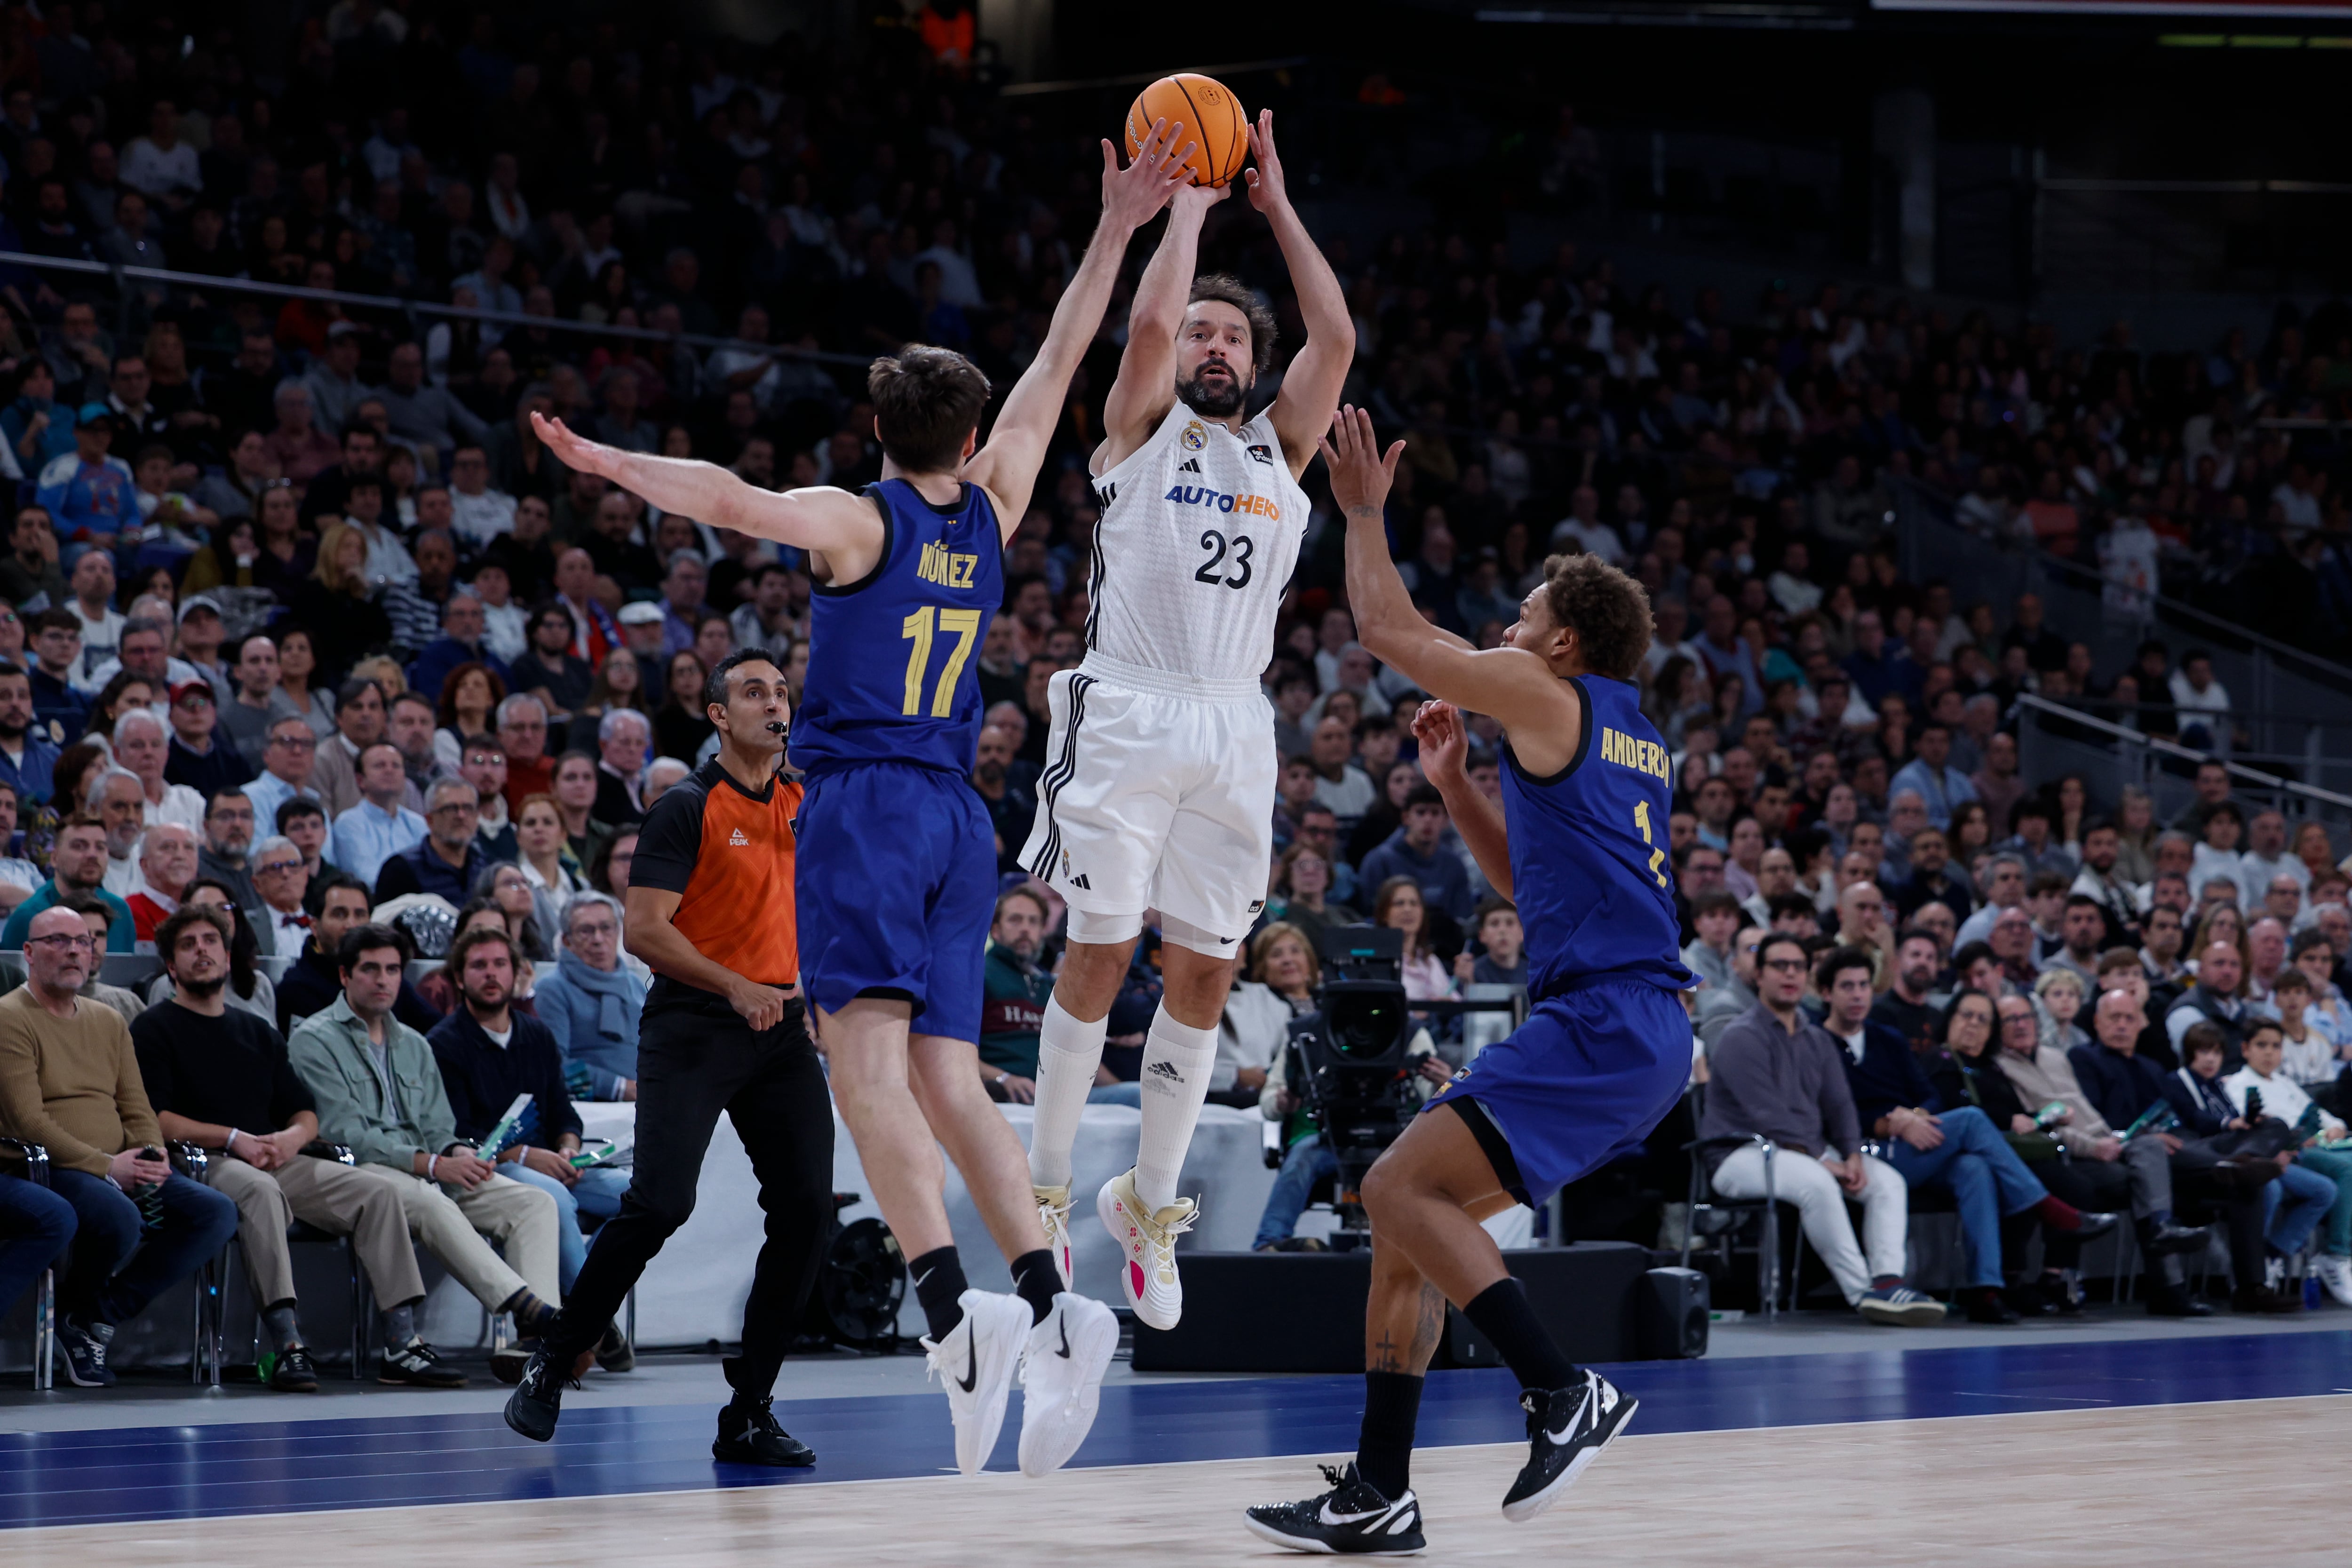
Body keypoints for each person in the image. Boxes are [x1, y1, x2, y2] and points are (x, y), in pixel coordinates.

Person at [512, 123, 1199, 1479]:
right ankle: (1059, 1308)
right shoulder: (994, 507)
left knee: (869, 1067)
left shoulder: (859, 519)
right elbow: (1064, 357)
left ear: (880, 430)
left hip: (871, 805)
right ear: (966, 425)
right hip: (962, 810)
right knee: (949, 1074)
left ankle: (956, 1314)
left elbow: (723, 494)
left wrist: (608, 466)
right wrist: (1116, 228)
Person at [1245, 408, 1694, 1553]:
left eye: (1527, 616)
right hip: (1629, 1021)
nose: (1509, 624)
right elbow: (1536, 892)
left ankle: (1559, 1391)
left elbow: (1389, 627)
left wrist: (1356, 511)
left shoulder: (1546, 696)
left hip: (1604, 1020)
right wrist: (1453, 789)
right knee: (1409, 1230)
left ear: (1561, 648)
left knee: (1393, 1188)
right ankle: (1381, 1491)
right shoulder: (1624, 731)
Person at [1018, 122, 1353, 1341]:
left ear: (1255, 365)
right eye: (1205, 331)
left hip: (1234, 724)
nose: (1213, 345)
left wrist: (1278, 202)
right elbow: (1147, 330)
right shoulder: (1141, 426)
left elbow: (1340, 339)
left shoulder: (1280, 448)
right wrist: (1193, 214)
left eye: (1234, 337)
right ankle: (1044, 1186)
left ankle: (1147, 1206)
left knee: (1207, 970)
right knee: (1102, 949)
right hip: (1129, 699)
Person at [502, 652, 829, 1462]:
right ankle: (556, 1352)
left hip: (781, 1025)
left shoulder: (805, 797)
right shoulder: (687, 804)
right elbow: (646, 928)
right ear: (718, 713)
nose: (774, 702)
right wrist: (734, 984)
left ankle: (749, 1406)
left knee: (809, 1214)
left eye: (782, 690)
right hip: (693, 1021)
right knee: (659, 1203)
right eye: (755, 690)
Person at [132, 903, 458, 1390]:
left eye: (212, 942)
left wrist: (291, 1139)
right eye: (188, 944)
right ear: (172, 966)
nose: (203, 951)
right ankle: (287, 1344)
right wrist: (233, 1138)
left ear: (228, 956)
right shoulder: (154, 1027)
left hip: (275, 1155)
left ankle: (402, 1343)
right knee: (259, 1192)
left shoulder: (258, 1031)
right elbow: (155, 1118)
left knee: (377, 1192)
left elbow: (306, 1113)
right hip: (205, 1161)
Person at [287, 922, 561, 1385]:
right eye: (370, 969)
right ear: (344, 976)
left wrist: (457, 1152)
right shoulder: (314, 1039)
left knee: (534, 1201)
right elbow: (346, 1134)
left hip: (428, 1168)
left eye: (393, 970)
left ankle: (533, 1343)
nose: (383, 980)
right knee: (430, 1198)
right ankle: (534, 1312)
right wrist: (433, 1163)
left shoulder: (414, 1042)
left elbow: (439, 1126)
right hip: (361, 1172)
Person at [0, 904, 239, 1386]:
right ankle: (79, 1317)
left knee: (215, 1213)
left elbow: (136, 1106)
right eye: (58, 941)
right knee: (119, 1216)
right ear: (28, 952)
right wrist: (109, 1167)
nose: (73, 951)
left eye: (83, 942)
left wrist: (151, 1155)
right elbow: (29, 1121)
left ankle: (94, 1317)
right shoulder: (9, 1019)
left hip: (120, 1167)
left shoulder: (109, 1020)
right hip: (52, 1167)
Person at [1820, 943, 2113, 1324]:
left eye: (1863, 985)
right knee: (1973, 1120)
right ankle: (2050, 1209)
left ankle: (1986, 1291)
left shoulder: (1887, 1038)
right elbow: (1826, 1110)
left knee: (1974, 1167)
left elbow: (1924, 1090)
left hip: (1914, 1141)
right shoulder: (1817, 1043)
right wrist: (1889, 1121)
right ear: (1827, 993)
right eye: (1847, 986)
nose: (1858, 994)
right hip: (1863, 1149)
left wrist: (1917, 1116)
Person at [429, 923, 630, 1334]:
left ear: (517, 972)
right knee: (553, 1197)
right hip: (491, 1168)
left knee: (640, 1198)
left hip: (551, 1160)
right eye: (480, 965)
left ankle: (586, 1301)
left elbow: (562, 1110)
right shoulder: (444, 1043)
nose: (491, 974)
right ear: (459, 977)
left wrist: (569, 1146)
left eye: (500, 964)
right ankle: (592, 1322)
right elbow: (457, 1131)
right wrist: (522, 1156)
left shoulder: (536, 1033)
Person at [1988, 991, 2214, 1315]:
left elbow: (2085, 1109)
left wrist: (2111, 1139)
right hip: (2071, 1153)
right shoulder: (2001, 1067)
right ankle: (2168, 1285)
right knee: (2144, 1182)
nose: (2021, 1025)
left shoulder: (2055, 1056)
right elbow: (2044, 1127)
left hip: (2105, 1140)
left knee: (2151, 1147)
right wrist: (2094, 1147)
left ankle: (2163, 1229)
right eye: (2011, 1020)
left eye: (2026, 1017)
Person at [2222, 1019, 2352, 1307]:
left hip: (2307, 1150)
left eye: (2276, 1047)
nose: (2269, 1053)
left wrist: (2334, 1128)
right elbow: (2261, 1129)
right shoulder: (2239, 1085)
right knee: (2343, 1171)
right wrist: (2299, 1139)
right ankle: (2337, 1253)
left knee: (2327, 1188)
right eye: (2261, 1046)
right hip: (2275, 1157)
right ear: (2245, 1049)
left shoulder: (2285, 1083)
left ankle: (2274, 1253)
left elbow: (2320, 1115)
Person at [534, 893, 643, 1101]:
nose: (598, 940)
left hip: (647, 1101)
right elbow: (552, 1063)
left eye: (606, 928)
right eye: (586, 931)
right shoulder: (553, 989)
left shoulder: (636, 985)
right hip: (591, 1108)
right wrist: (618, 1088)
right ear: (567, 940)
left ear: (618, 931)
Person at [0, 812, 135, 950]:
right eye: (79, 846)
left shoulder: (120, 912)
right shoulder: (29, 917)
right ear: (54, 858)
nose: (93, 855)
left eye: (100, 847)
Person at [979, 884, 1056, 1101]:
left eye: (1033, 921)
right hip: (1003, 1092)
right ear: (995, 930)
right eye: (1015, 920)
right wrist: (1003, 1078)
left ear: (1043, 931)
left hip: (1057, 1094)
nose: (1025, 929)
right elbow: (952, 1052)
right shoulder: (980, 974)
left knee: (1133, 1095)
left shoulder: (1046, 984)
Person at [372, 777, 488, 903]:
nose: (461, 816)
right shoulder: (400, 870)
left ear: (477, 817)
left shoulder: (485, 868)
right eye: (450, 809)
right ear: (429, 820)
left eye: (468, 808)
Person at [330, 742, 427, 887]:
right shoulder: (349, 823)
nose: (389, 770)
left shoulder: (418, 823)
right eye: (380, 766)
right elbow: (366, 879)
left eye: (396, 766)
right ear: (360, 780)